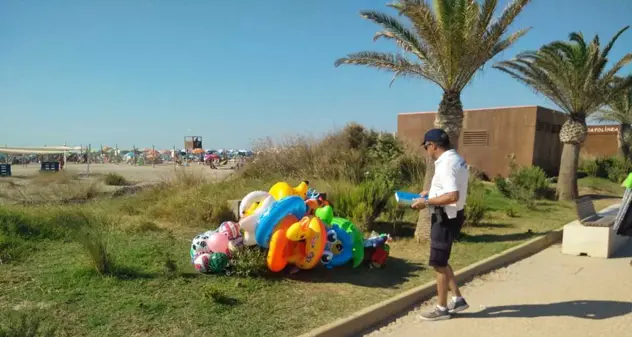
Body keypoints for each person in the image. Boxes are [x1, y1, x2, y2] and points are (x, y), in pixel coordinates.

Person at [411, 128, 470, 321]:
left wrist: (426, 202)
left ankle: (442, 309)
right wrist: (430, 194)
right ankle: (458, 299)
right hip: (452, 215)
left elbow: (453, 195)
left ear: (433, 146)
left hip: (444, 218)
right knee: (442, 260)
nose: (426, 150)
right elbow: (451, 189)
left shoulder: (445, 164)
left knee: (438, 263)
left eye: (426, 146)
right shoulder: (456, 158)